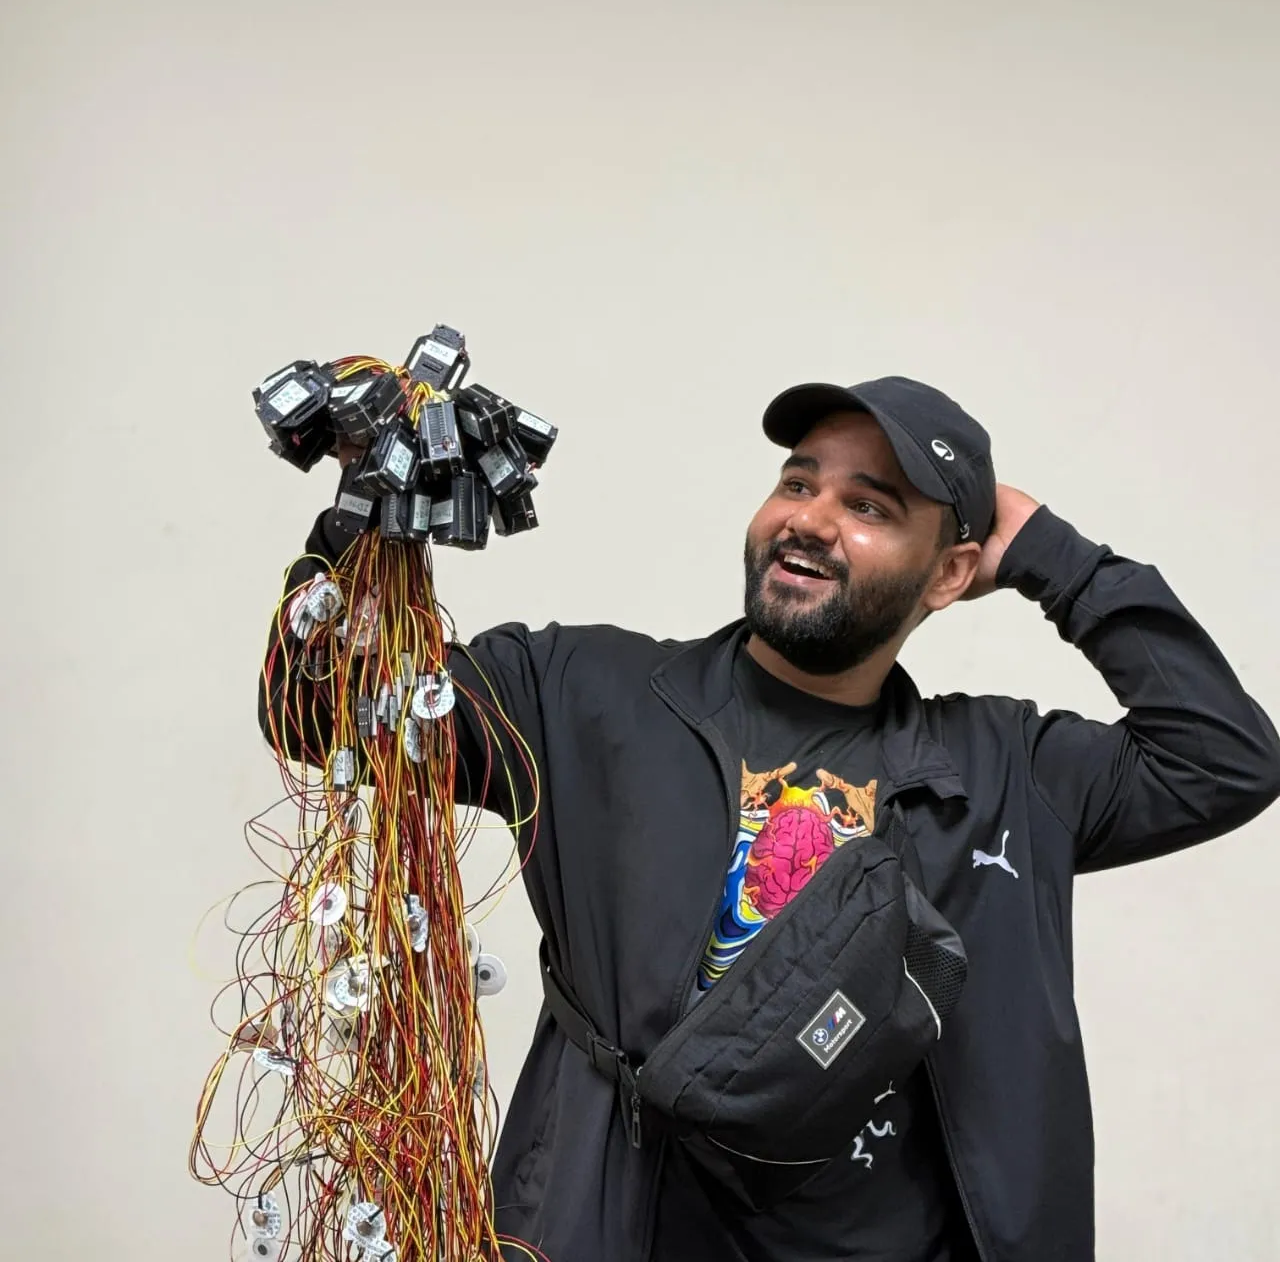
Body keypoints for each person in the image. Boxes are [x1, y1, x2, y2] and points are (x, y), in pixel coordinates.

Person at [260, 376, 1280, 1262]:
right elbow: (316, 706)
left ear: (949, 573)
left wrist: (1056, 556)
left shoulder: (1006, 768)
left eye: (868, 505)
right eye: (797, 482)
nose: (809, 517)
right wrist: (361, 502)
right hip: (610, 1223)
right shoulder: (577, 690)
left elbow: (1223, 756)